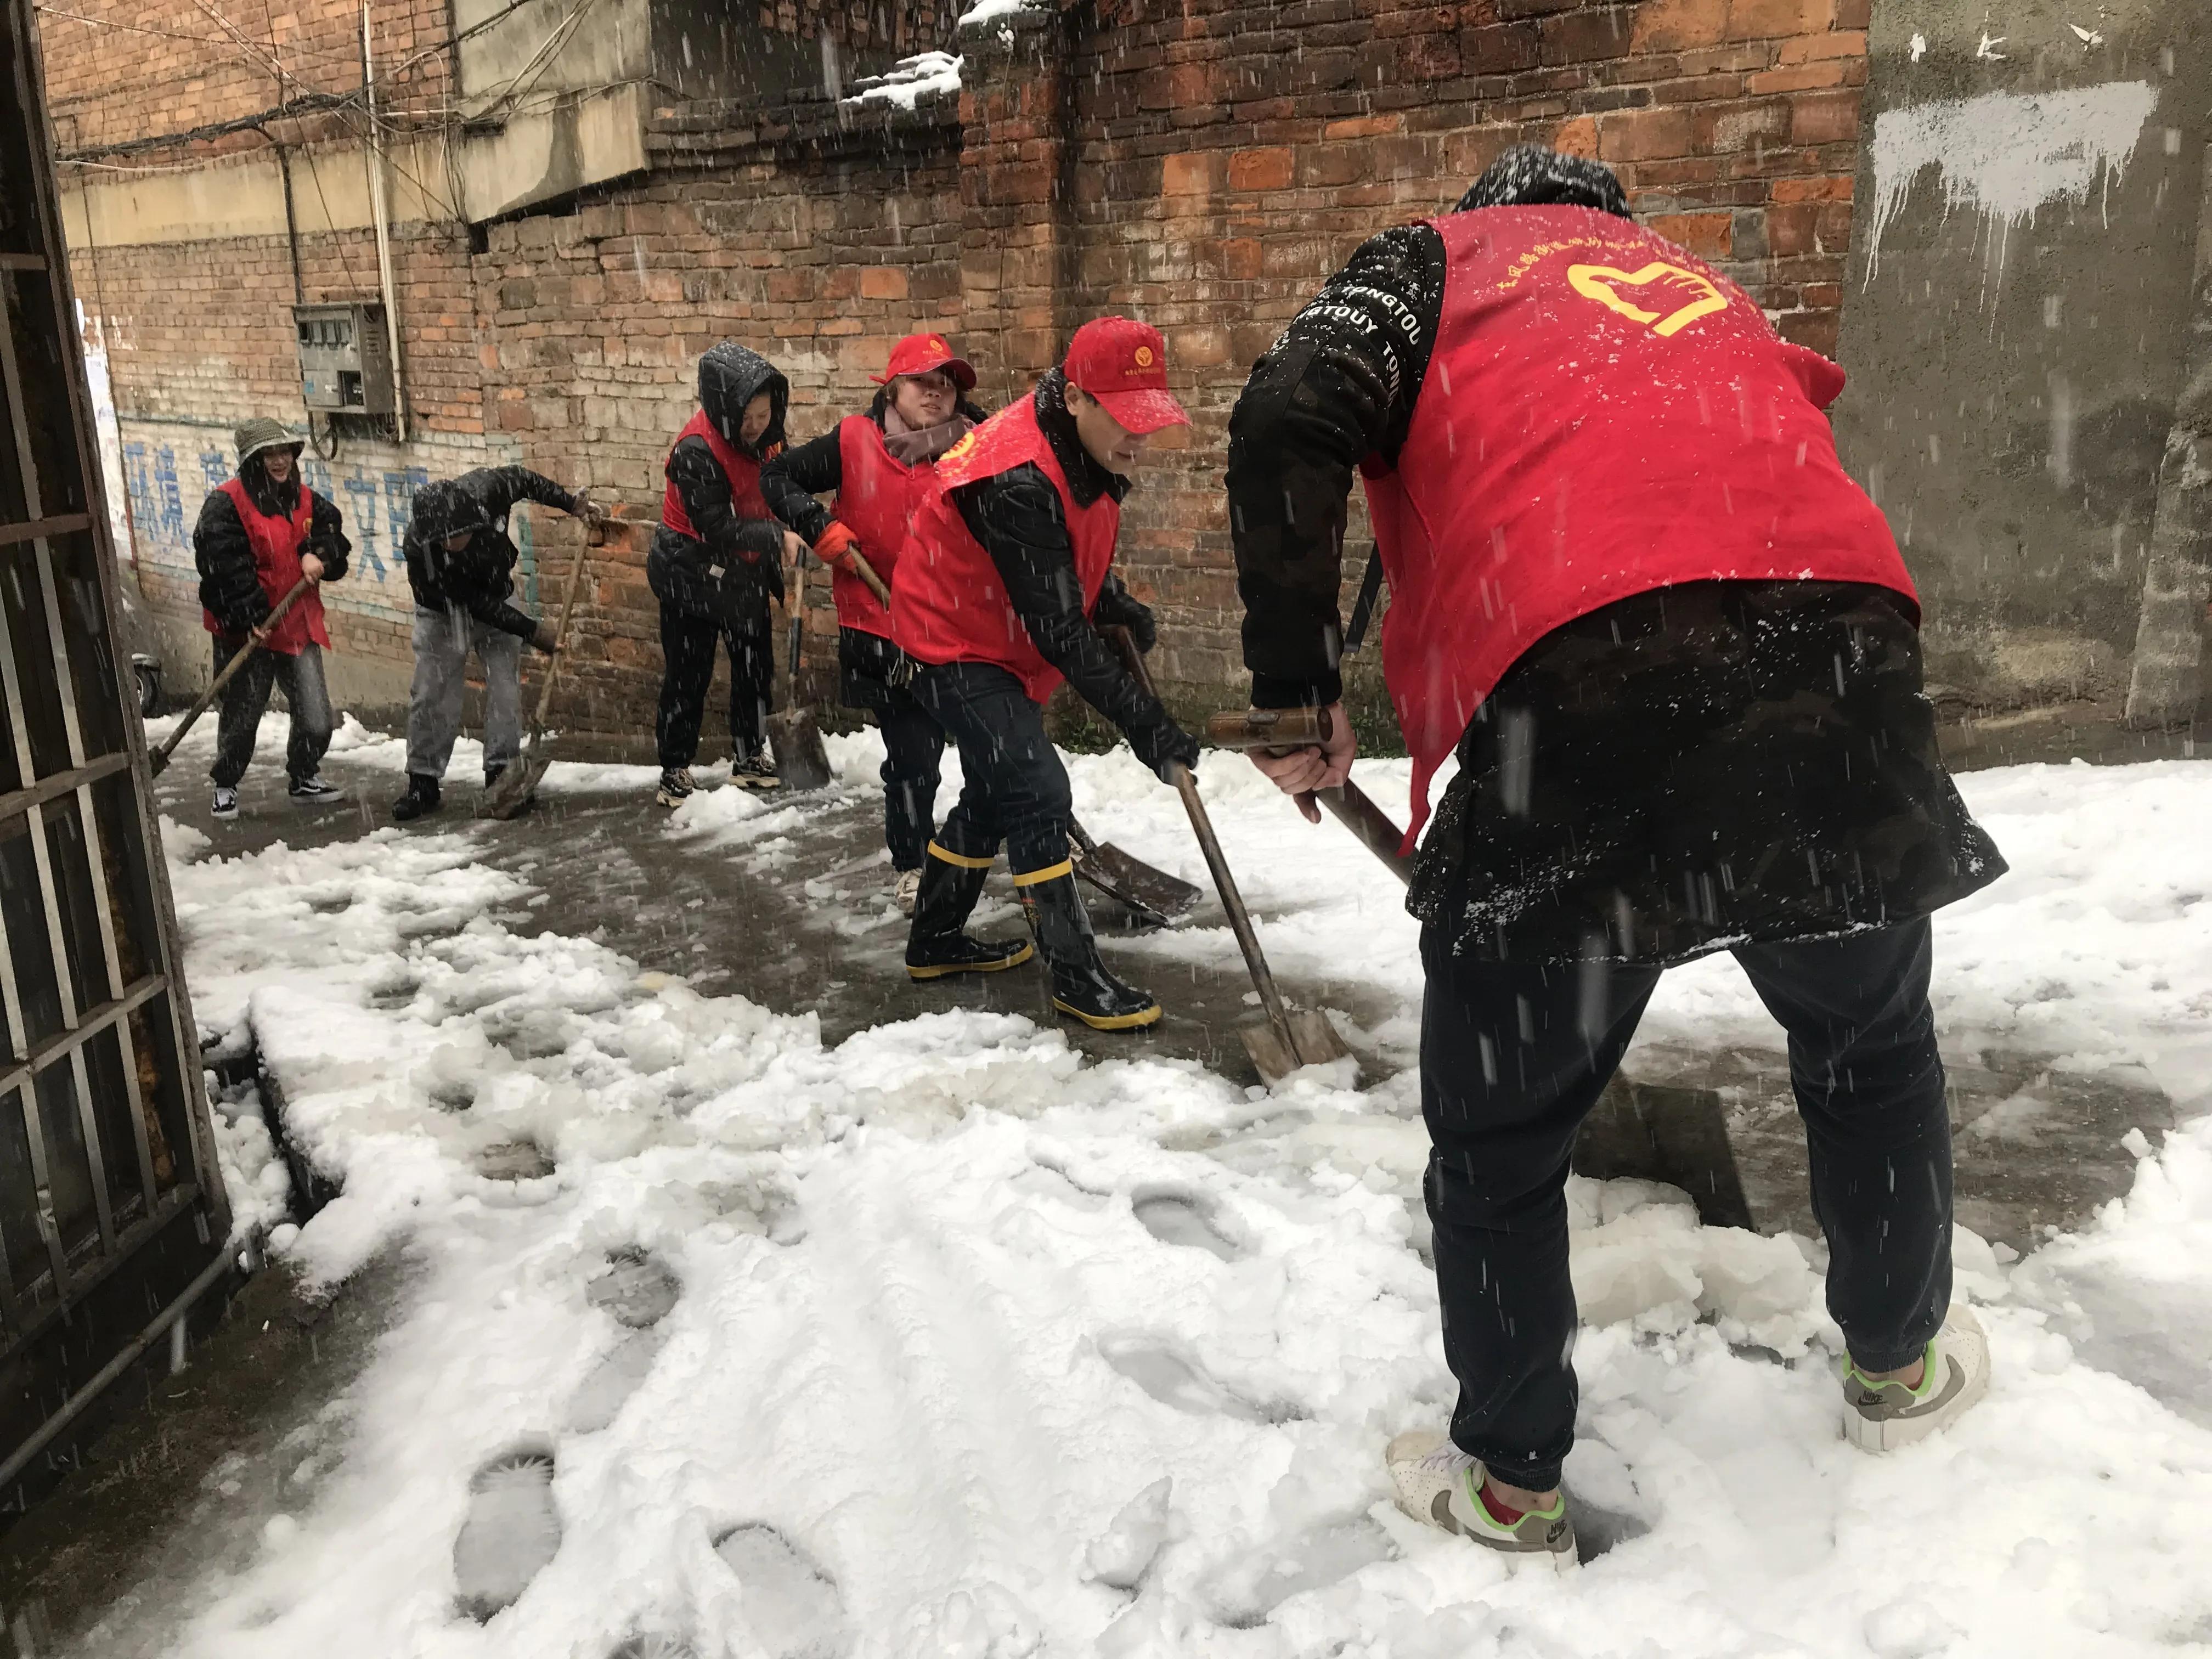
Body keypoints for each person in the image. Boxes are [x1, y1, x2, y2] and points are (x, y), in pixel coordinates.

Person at [1225, 146, 2008, 1571]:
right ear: (1614, 225)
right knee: (1873, 1050)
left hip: (1593, 653)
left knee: (1503, 1145)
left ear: (1495, 207)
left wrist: (1295, 688)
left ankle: (1512, 1485)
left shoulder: (1436, 263)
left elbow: (1289, 406)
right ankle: (1899, 1369)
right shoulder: (1700, 290)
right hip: (1841, 641)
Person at [889, 317, 1200, 1029]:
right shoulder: (1017, 476)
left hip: (994, 631)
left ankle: (935, 940)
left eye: (1147, 421)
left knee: (999, 793)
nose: (1138, 438)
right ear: (1077, 400)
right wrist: (1147, 726)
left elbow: (1058, 556)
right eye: (1124, 419)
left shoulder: (1084, 449)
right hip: (949, 640)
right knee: (1036, 790)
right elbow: (1058, 626)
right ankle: (1075, 977)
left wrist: (1112, 598)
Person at [761, 333, 988, 912]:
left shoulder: (980, 442)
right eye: (923, 382)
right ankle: (914, 863)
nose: (938, 394)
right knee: (913, 756)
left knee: (1000, 750)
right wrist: (819, 527)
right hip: (883, 627)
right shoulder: (853, 440)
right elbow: (776, 478)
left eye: (948, 382)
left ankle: (1015, 849)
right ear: (893, 388)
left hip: (962, 626)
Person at [651, 342, 809, 807]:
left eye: (764, 414)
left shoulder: (769, 436)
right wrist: (776, 538)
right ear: (724, 408)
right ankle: (674, 770)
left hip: (744, 573)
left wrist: (804, 516)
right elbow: (714, 525)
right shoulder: (696, 451)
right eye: (748, 417)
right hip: (690, 572)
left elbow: (783, 481)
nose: (757, 426)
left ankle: (749, 757)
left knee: (754, 666)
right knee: (688, 673)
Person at [391, 467, 599, 822]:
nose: (445, 545)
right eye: (438, 540)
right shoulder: (420, 547)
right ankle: (423, 780)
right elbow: (471, 600)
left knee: (506, 689)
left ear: (469, 523)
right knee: (432, 693)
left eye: (451, 537)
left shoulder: (489, 490)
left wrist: (570, 504)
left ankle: (501, 772)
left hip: (497, 597)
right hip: (444, 612)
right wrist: (533, 632)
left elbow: (526, 479)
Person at [192, 416, 351, 820]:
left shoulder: (305, 499)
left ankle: (303, 776)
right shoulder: (225, 505)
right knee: (243, 717)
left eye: (285, 452)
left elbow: (333, 533)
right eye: (269, 455)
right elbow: (222, 567)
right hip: (247, 630)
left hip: (295, 623)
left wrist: (318, 552)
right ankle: (226, 783)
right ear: (252, 461)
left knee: (316, 718)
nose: (280, 461)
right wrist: (248, 615)